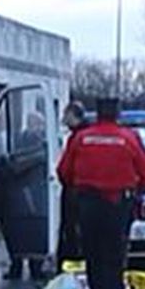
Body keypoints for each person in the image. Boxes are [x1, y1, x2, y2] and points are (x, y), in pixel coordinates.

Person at [57, 97, 145, 289]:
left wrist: (79, 189)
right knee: (115, 261)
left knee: (93, 259)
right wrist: (135, 192)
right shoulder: (129, 138)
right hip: (117, 205)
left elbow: (63, 172)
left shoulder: (82, 138)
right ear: (118, 115)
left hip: (88, 205)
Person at [1, 111, 48, 281]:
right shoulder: (22, 140)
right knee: (18, 230)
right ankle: (17, 264)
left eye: (38, 124)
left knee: (36, 230)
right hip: (21, 189)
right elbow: (15, 162)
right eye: (33, 123)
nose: (36, 127)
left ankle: (36, 267)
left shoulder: (44, 141)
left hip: (38, 191)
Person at [55, 101, 87, 268]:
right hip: (90, 195)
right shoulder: (83, 134)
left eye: (66, 115)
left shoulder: (78, 138)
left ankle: (70, 268)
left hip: (74, 193)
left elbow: (65, 169)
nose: (63, 119)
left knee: (72, 234)